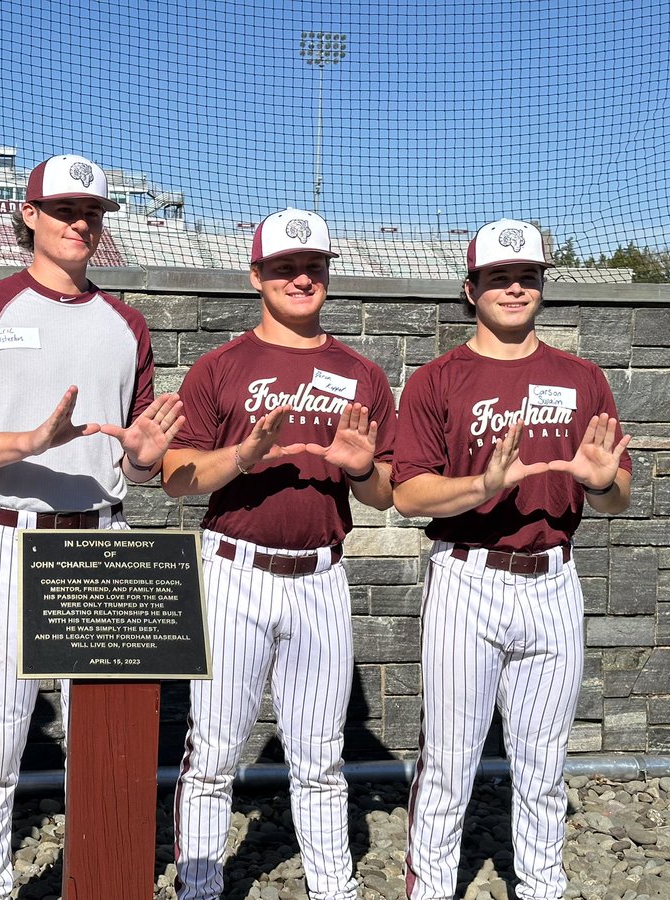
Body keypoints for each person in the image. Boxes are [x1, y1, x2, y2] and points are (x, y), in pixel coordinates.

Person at [0, 153, 185, 900]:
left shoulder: (126, 323)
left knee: (106, 740)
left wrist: (143, 461)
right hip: (15, 530)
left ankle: (100, 882)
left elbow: (133, 460)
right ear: (29, 214)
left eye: (93, 212)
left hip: (104, 536)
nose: (81, 223)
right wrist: (30, 442)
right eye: (65, 210)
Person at [394, 219, 632, 900]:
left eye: (527, 276)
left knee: (543, 764)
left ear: (541, 287)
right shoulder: (438, 379)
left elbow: (618, 495)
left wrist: (600, 482)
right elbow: (408, 492)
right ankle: (430, 888)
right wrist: (482, 485)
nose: (515, 288)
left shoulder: (581, 377)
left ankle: (541, 886)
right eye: (498, 277)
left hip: (553, 582)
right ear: (471, 289)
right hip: (467, 577)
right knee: (448, 762)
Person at [163, 208, 396, 900]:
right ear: (256, 275)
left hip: (320, 575)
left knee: (321, 757)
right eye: (285, 267)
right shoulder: (221, 366)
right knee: (213, 752)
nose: (301, 278)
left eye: (313, 266)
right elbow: (176, 476)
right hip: (233, 571)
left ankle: (333, 888)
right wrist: (244, 455)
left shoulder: (361, 374)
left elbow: (385, 492)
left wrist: (360, 468)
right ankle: (200, 887)